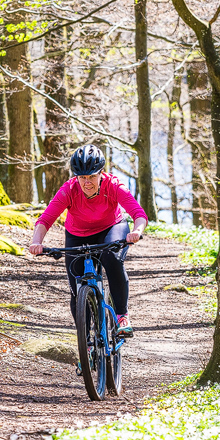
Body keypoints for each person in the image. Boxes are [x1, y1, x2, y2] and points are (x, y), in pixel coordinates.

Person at [28, 145, 147, 338]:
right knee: (77, 289)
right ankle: (85, 340)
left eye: (91, 176)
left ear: (101, 173)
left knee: (112, 259)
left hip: (111, 228)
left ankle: (121, 316)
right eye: (82, 177)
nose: (87, 182)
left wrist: (136, 231)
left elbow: (138, 214)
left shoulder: (114, 186)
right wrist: (36, 242)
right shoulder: (68, 190)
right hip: (77, 234)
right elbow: (45, 220)